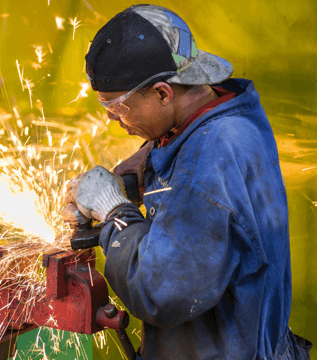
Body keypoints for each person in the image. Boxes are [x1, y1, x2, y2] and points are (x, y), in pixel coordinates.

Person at [65, 5, 312, 359]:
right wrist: (150, 155)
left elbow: (160, 292)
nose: (110, 118)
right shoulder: (221, 112)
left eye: (116, 106)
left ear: (164, 93)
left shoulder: (211, 160)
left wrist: (113, 210)